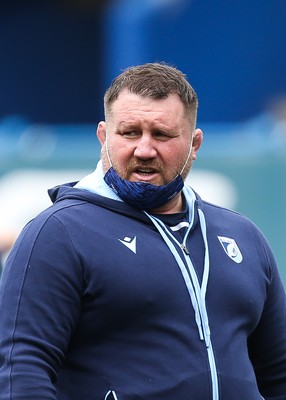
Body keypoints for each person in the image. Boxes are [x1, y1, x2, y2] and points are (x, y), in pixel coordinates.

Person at [0, 62, 285, 400]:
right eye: (130, 132)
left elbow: (278, 372)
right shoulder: (58, 232)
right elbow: (21, 372)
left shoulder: (243, 235)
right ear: (104, 137)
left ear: (194, 145)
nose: (145, 149)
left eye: (162, 134)